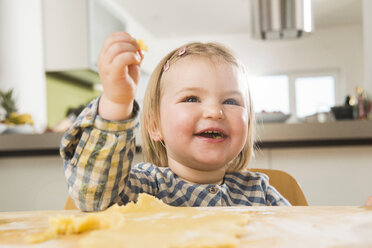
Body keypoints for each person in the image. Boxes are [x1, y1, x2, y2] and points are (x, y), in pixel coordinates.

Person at [60, 32, 290, 212]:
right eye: (191, 98)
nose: (215, 111)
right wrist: (117, 103)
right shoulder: (145, 188)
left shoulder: (260, 192)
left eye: (231, 100)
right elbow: (94, 197)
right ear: (155, 126)